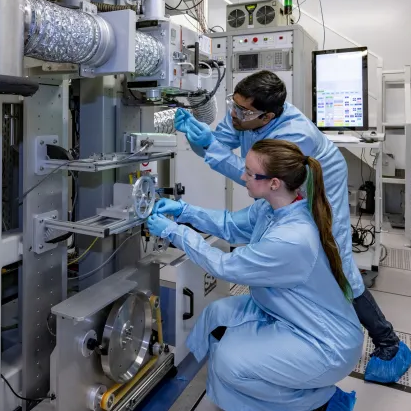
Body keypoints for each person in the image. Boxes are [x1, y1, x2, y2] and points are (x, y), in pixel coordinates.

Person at [173, 71, 411, 384]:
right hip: (279, 186)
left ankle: (388, 342)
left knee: (336, 258)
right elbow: (224, 150)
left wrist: (212, 150)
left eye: (242, 110)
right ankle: (292, 312)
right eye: (234, 105)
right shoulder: (245, 114)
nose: (234, 114)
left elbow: (248, 174)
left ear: (268, 115)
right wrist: (198, 136)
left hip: (320, 185)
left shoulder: (294, 133)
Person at [146, 139, 360, 411]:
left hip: (325, 342)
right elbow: (230, 225)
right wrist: (184, 211)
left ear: (274, 183)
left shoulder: (292, 239)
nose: (243, 177)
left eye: (250, 173)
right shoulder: (274, 207)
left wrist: (174, 232)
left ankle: (318, 402)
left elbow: (225, 265)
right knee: (216, 314)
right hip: (290, 311)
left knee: (229, 362)